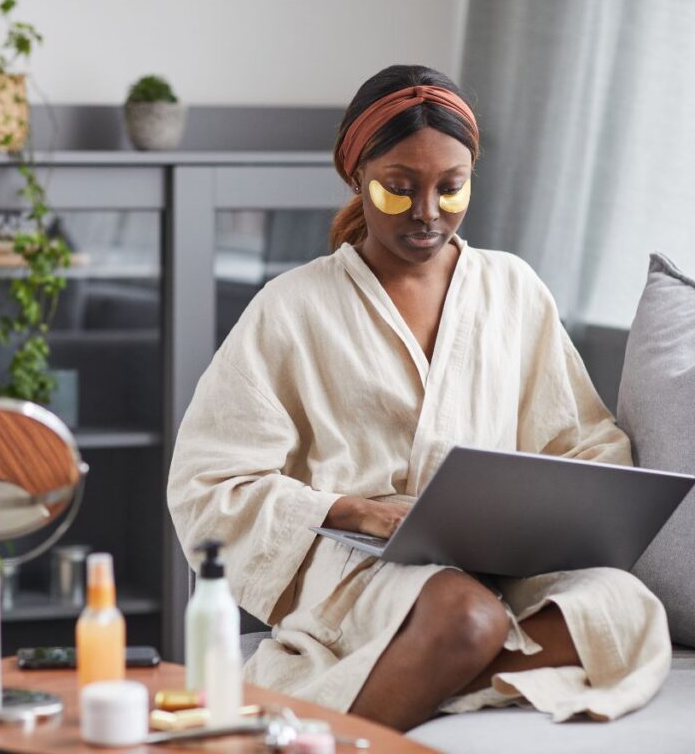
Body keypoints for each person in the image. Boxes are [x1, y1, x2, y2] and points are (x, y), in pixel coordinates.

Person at [166, 65, 671, 732]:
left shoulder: (513, 289)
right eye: (399, 190)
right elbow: (208, 484)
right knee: (466, 616)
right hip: (358, 565)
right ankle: (371, 711)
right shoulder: (293, 308)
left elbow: (581, 436)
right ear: (357, 177)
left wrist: (562, 509)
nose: (428, 213)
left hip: (503, 558)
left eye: (451, 189)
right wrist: (351, 511)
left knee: (626, 610)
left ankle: (413, 674)